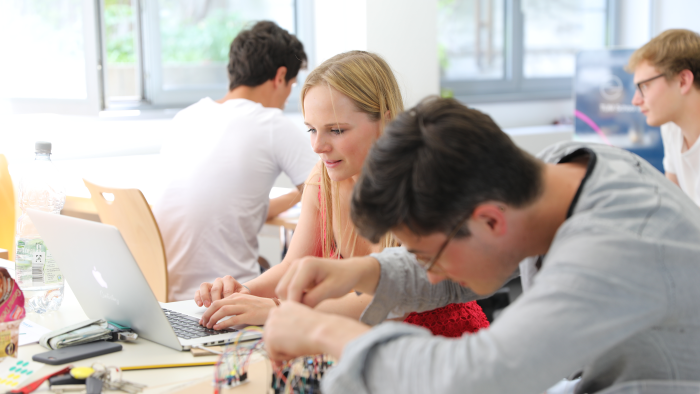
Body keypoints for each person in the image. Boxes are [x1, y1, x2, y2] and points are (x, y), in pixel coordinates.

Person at [264, 97, 700, 394]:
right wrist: (363, 273)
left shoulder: (613, 245)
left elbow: (481, 376)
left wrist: (324, 330)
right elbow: (466, 262)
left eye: (429, 256)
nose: (431, 273)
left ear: (490, 218)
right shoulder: (549, 175)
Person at [196, 51, 489, 337]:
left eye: (336, 130)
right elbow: (292, 265)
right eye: (311, 129)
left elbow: (390, 297)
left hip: (442, 344)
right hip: (373, 342)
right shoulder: (323, 179)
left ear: (384, 121)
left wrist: (278, 309)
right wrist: (241, 295)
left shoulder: (419, 184)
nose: (317, 145)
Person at [153, 21, 318, 301]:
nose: (289, 94)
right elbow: (329, 198)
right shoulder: (271, 123)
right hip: (227, 298)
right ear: (280, 77)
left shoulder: (186, 118)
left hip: (165, 296)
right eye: (291, 84)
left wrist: (293, 196)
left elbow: (227, 210)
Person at [629, 29, 700, 205]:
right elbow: (673, 208)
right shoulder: (672, 128)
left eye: (645, 86)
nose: (635, 100)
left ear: (683, 81)